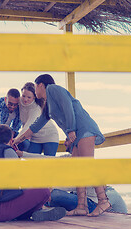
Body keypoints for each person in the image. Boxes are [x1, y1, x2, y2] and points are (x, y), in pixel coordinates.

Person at [14, 74, 109, 217]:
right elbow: (37, 124)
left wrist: (70, 130)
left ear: (40, 85)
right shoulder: (48, 104)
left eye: (35, 87)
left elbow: (68, 106)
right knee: (78, 168)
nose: (35, 92)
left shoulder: (53, 89)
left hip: (84, 129)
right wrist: (18, 139)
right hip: (77, 134)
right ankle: (82, 206)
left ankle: (103, 200)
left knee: (87, 165)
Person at [0, 124, 66, 222]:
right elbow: (22, 179)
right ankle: (36, 211)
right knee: (43, 190)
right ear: (11, 141)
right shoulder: (7, 151)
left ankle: (36, 212)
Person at [18, 82, 59, 156]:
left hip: (49, 136)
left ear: (34, 97)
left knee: (48, 162)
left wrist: (15, 140)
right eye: (23, 96)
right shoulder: (20, 102)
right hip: (35, 138)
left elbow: (27, 127)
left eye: (29, 97)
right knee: (31, 162)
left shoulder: (36, 109)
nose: (25, 99)